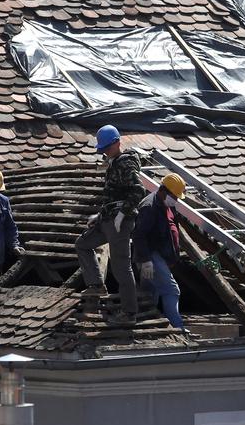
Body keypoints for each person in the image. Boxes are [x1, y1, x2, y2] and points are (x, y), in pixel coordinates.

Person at [75, 124, 143, 323]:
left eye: (107, 148)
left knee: (121, 267)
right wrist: (99, 215)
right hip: (108, 218)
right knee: (82, 244)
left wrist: (123, 214)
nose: (105, 152)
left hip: (120, 222)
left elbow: (138, 191)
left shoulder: (125, 163)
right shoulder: (114, 163)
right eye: (103, 149)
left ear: (117, 143)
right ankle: (96, 284)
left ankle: (129, 313)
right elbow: (112, 196)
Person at [133, 173, 186, 329]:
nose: (176, 200)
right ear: (163, 190)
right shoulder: (149, 207)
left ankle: (147, 325)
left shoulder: (166, 204)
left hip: (160, 256)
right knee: (172, 290)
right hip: (150, 256)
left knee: (150, 293)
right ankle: (178, 327)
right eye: (174, 196)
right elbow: (139, 235)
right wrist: (146, 260)